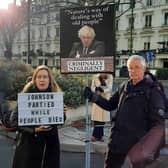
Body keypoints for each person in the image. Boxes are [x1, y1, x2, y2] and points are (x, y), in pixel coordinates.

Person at [84, 55, 165, 168]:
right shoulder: (124, 86)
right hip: (118, 142)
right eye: (130, 68)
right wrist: (94, 97)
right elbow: (110, 105)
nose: (133, 71)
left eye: (137, 67)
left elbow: (158, 124)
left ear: (144, 69)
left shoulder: (153, 89)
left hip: (139, 144)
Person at [9, 65, 67, 168]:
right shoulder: (26, 97)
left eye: (45, 77)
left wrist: (62, 113)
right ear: (35, 79)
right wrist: (34, 129)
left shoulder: (55, 97)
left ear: (50, 79)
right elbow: (13, 122)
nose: (42, 80)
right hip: (29, 147)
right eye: (39, 77)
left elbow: (60, 122)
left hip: (50, 147)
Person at [91, 73, 113, 142]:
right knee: (97, 119)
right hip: (97, 99)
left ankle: (97, 136)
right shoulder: (95, 76)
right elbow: (92, 87)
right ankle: (98, 136)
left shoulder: (110, 76)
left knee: (102, 120)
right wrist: (96, 90)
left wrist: (102, 90)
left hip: (105, 99)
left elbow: (109, 88)